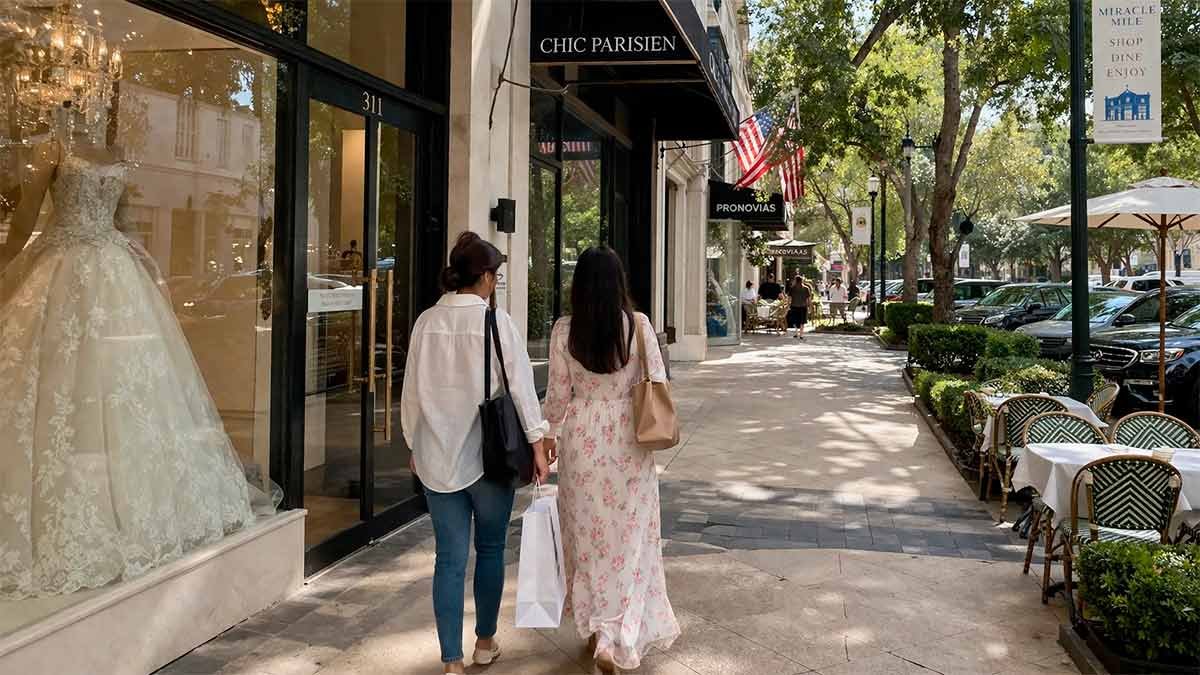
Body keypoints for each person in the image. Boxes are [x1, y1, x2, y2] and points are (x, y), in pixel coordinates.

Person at [400, 232, 551, 675]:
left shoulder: (426, 321)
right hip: (490, 457)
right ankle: (485, 642)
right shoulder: (494, 322)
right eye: (496, 277)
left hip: (435, 456)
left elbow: (410, 394)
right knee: (490, 548)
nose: (496, 285)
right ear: (484, 277)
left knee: (448, 558)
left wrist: (413, 442)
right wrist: (538, 444)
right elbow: (522, 389)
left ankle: (451, 660)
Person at [543, 247, 680, 674]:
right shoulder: (638, 327)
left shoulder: (564, 331)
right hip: (628, 443)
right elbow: (657, 378)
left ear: (578, 285)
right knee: (629, 540)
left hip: (582, 441)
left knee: (587, 541)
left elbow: (557, 398)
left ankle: (596, 630)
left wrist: (547, 436)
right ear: (619, 282)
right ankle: (617, 633)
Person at [788, 273, 812, 339]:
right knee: (802, 321)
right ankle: (801, 335)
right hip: (803, 307)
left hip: (794, 306)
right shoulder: (806, 288)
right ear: (802, 281)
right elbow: (809, 299)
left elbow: (789, 298)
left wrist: (788, 306)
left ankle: (796, 333)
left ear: (795, 280)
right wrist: (810, 307)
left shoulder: (792, 288)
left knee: (795, 320)